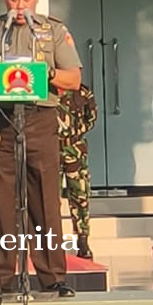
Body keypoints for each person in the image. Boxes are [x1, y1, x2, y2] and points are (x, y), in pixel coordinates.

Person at [0, 0, 84, 300]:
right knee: (0, 202)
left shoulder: (53, 31)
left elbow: (73, 79)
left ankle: (51, 277)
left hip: (40, 120)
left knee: (44, 200)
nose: (21, 6)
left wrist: (44, 75)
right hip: (0, 121)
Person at [56, 83, 97, 260]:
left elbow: (91, 118)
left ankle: (82, 239)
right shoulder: (43, 89)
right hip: (49, 149)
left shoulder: (82, 92)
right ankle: (51, 241)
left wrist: (75, 133)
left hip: (76, 148)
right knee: (48, 197)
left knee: (80, 195)